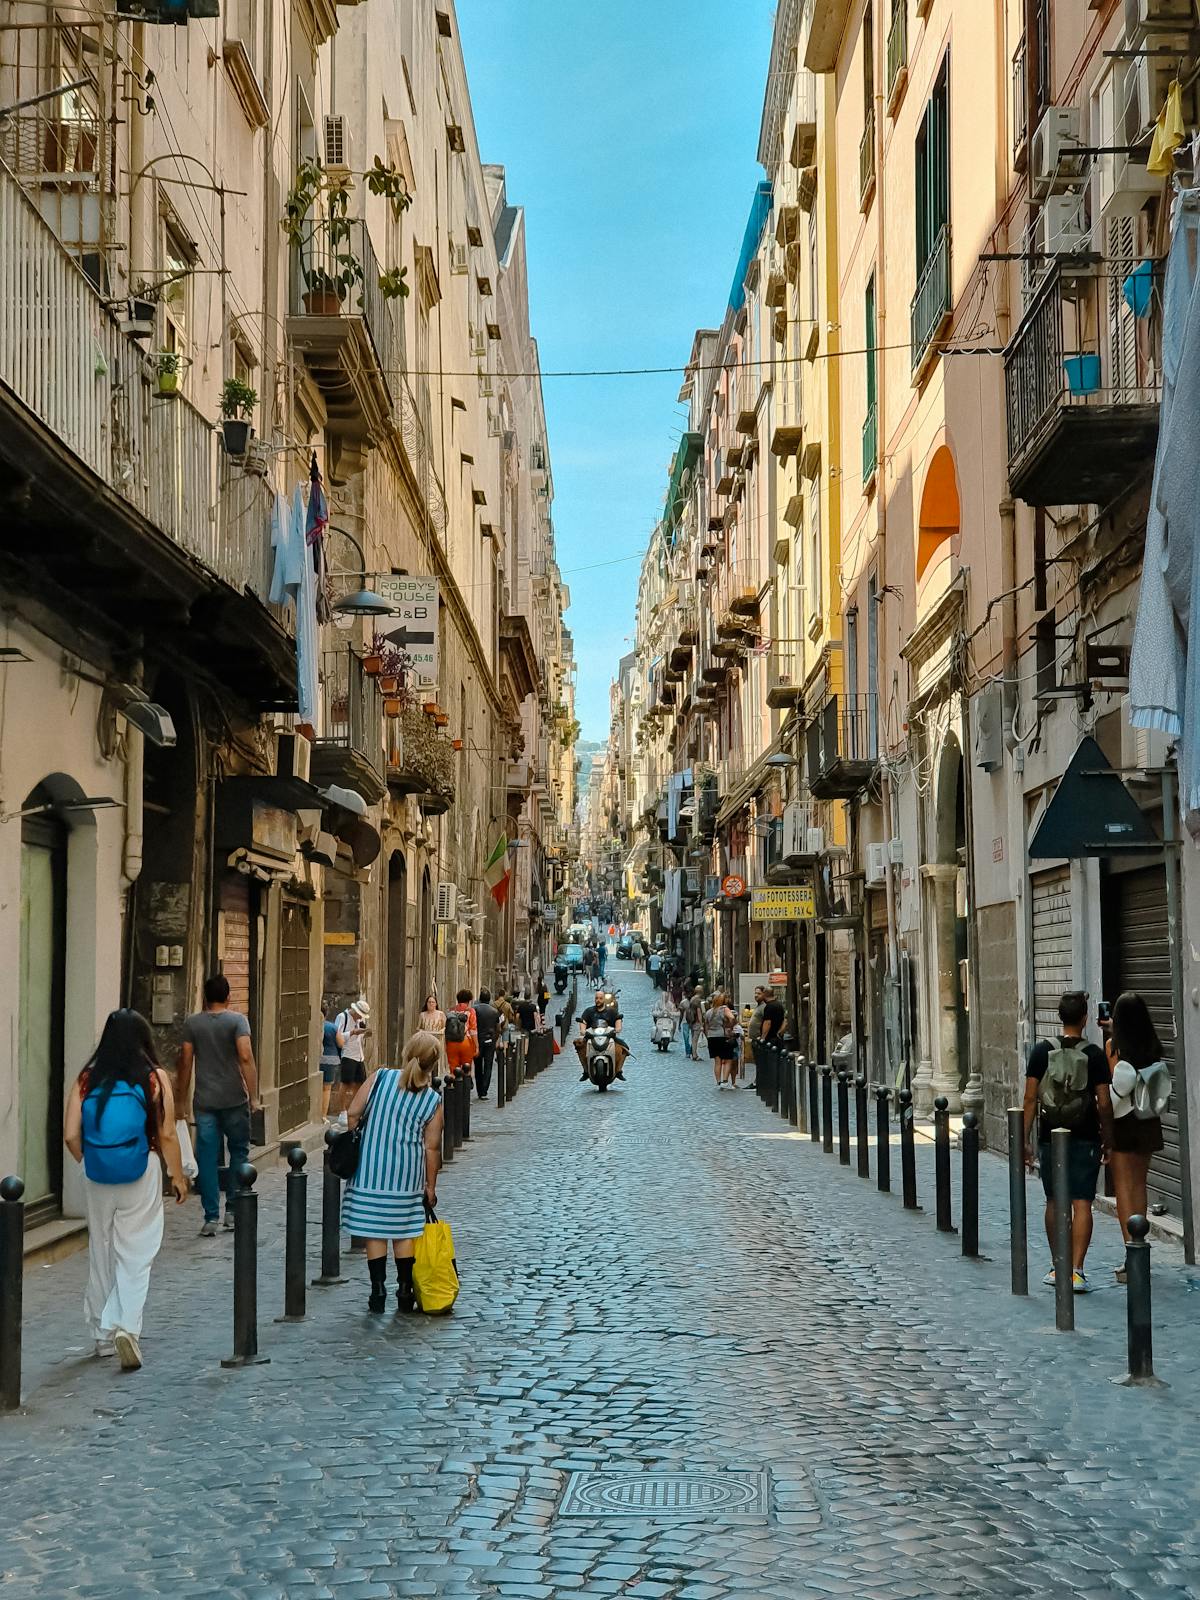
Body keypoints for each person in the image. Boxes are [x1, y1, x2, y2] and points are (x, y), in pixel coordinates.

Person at [64, 1010, 188, 1370]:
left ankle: (102, 1337)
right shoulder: (153, 1078)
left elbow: (71, 1134)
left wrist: (90, 1162)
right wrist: (177, 1177)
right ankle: (125, 1326)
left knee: (101, 1249)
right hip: (142, 1167)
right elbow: (166, 1134)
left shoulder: (87, 1078)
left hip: (98, 1173)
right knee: (137, 1250)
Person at [342, 1032, 444, 1313]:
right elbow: (432, 1148)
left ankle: (377, 1291)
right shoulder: (432, 1100)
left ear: (406, 1051)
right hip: (406, 1173)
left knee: (374, 1232)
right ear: (433, 1063)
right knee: (404, 1232)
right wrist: (430, 1186)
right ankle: (404, 1290)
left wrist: (358, 1141)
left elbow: (353, 1112)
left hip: (370, 1169)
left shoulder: (380, 1078)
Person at [1022, 990, 1113, 1293]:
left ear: (1059, 1017)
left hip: (1051, 1136)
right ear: (1085, 1018)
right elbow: (1103, 1101)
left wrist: (1023, 1140)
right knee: (1082, 1202)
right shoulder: (1095, 1055)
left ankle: (1057, 1264)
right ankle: (1077, 1270)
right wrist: (1108, 1139)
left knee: (1053, 1201)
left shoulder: (1040, 1052)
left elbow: (1030, 1099)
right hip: (1085, 1137)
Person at [177, 974, 259, 1237]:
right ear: (228, 996)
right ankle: (233, 1210)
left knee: (208, 1159)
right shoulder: (237, 1021)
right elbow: (245, 1057)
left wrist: (181, 1101)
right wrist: (254, 1096)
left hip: (205, 1101)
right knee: (238, 1153)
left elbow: (186, 1063)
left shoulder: (193, 1024)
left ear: (204, 997)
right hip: (234, 1097)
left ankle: (210, 1216)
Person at [1106, 991, 1171, 1280]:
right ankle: (1141, 1249)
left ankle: (1130, 1254)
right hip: (1147, 1121)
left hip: (1123, 1122)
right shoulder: (1151, 1045)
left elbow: (1115, 1088)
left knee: (1123, 1190)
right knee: (1140, 1186)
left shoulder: (1114, 1046)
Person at [333, 998, 371, 1120]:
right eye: (359, 1015)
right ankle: (342, 1110)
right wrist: (353, 1032)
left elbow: (361, 1035)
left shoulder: (360, 1019)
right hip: (348, 1054)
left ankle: (355, 1108)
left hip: (359, 1055)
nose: (360, 1018)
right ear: (354, 1011)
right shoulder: (342, 1017)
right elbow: (337, 1036)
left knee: (360, 1084)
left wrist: (365, 1033)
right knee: (346, 1083)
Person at [577, 990, 628, 1079]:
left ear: (604, 999)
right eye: (596, 998)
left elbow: (618, 1021)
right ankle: (585, 1070)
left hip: (609, 1037)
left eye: (600, 998)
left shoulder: (612, 1011)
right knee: (578, 1045)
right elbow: (583, 1021)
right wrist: (582, 1030)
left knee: (625, 1048)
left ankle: (619, 1070)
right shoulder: (589, 1011)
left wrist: (617, 1029)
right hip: (591, 1037)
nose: (598, 1000)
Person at [704, 991, 738, 1088]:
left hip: (711, 1037)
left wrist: (708, 1036)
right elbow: (732, 1018)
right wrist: (730, 1026)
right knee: (727, 1059)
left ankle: (718, 1081)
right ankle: (725, 1081)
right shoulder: (724, 1009)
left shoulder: (708, 1012)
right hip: (722, 1036)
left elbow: (706, 1026)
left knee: (717, 1060)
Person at [319, 1001, 345, 1121]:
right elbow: (341, 1043)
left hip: (318, 1058)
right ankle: (323, 1115)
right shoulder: (332, 1027)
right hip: (331, 1060)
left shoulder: (316, 1026)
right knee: (326, 1088)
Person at [445, 988, 479, 1079]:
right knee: (466, 1068)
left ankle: (453, 1090)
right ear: (469, 1000)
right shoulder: (470, 1011)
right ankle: (465, 1090)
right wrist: (477, 1046)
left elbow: (447, 1029)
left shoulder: (450, 1010)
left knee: (453, 1070)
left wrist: (446, 1043)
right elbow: (473, 1030)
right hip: (466, 1042)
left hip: (451, 1043)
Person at [474, 988, 500, 1100]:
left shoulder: (474, 1010)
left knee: (478, 1066)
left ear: (480, 998)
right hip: (490, 1040)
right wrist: (495, 1038)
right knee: (488, 1066)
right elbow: (498, 1028)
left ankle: (479, 1090)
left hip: (478, 1040)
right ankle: (484, 1090)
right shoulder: (494, 1012)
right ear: (489, 999)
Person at [682, 988, 705, 1062]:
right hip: (696, 1022)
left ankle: (694, 1053)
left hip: (691, 1021)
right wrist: (701, 1024)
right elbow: (699, 1012)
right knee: (695, 1039)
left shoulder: (692, 999)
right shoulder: (697, 1000)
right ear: (701, 992)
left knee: (693, 1038)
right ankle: (694, 1055)